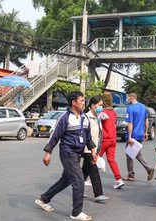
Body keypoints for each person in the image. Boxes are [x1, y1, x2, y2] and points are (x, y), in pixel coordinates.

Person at [35, 91, 96, 221]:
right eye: (81, 101)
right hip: (68, 153)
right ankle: (76, 213)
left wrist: (93, 151)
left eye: (84, 101)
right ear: (73, 102)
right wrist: (48, 152)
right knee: (79, 182)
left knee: (67, 179)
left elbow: (88, 137)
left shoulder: (85, 118)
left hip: (78, 154)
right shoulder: (65, 117)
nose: (84, 103)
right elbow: (55, 135)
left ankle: (44, 198)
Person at [122, 92, 154, 182]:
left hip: (133, 134)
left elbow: (130, 123)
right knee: (136, 153)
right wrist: (145, 132)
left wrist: (129, 137)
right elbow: (146, 120)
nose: (127, 99)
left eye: (128, 97)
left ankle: (132, 174)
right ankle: (140, 171)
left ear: (132, 98)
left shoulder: (130, 108)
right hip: (140, 134)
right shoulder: (143, 107)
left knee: (130, 154)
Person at [82, 96, 108, 202]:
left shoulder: (97, 117)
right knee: (94, 170)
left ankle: (77, 188)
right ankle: (98, 194)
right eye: (100, 105)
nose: (101, 107)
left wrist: (97, 150)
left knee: (84, 171)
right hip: (87, 149)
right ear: (93, 106)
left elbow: (98, 135)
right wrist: (92, 149)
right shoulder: (86, 117)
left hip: (94, 148)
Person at [99, 93, 124, 189]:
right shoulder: (113, 112)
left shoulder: (102, 112)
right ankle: (118, 179)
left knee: (95, 159)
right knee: (112, 160)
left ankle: (89, 179)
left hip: (104, 140)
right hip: (113, 139)